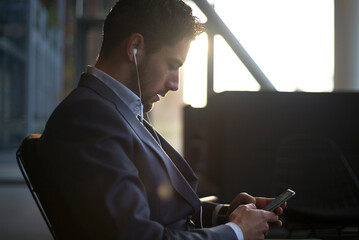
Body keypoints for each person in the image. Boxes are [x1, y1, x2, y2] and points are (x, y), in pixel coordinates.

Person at [37, 0, 285, 239]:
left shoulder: (114, 111)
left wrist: (225, 215)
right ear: (135, 48)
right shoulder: (89, 119)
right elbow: (137, 236)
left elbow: (157, 209)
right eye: (171, 65)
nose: (175, 84)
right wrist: (237, 233)